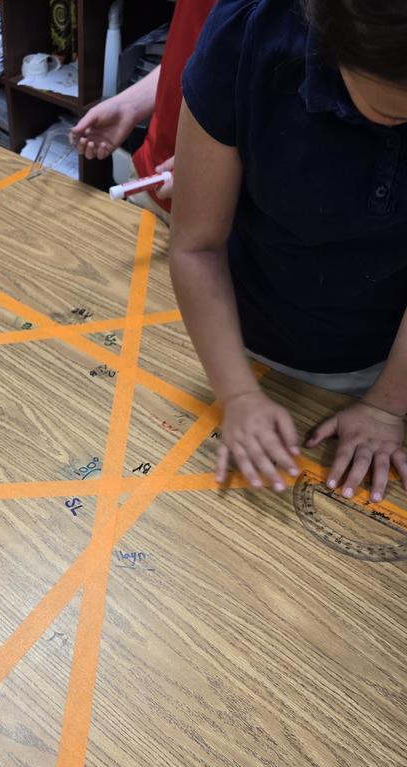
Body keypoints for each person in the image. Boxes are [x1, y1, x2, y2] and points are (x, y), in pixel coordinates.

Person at [170, 0, 407, 504]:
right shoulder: (250, 35)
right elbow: (196, 246)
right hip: (243, 344)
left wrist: (387, 406)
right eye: (396, 113)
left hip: (389, 367)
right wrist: (236, 393)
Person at [70, 0, 215, 220]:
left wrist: (213, 170)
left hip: (213, 210)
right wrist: (129, 105)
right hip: (151, 175)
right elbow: (194, 48)